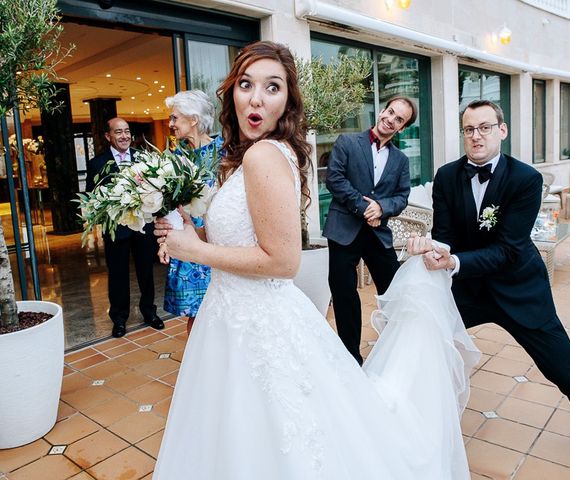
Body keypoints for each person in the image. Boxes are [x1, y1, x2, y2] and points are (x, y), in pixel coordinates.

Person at [151, 40, 479, 480]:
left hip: (254, 317)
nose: (256, 97)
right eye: (246, 84)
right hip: (232, 314)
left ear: (287, 100)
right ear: (231, 92)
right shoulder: (246, 155)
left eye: (273, 87)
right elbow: (241, 232)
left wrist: (195, 251)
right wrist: (189, 231)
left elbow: (282, 261)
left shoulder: (265, 154)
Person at [407, 99, 570, 472]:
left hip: (519, 289)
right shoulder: (447, 176)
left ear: (502, 130)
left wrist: (455, 261)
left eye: (484, 127)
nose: (476, 136)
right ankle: (402, 419)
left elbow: (509, 250)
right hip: (466, 288)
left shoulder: (525, 179)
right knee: (419, 336)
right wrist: (435, 250)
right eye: (469, 129)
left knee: (565, 371)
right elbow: (447, 235)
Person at [323, 95, 417, 364]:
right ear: (382, 111)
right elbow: (334, 179)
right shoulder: (347, 142)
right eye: (390, 112)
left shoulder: (400, 160)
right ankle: (351, 358)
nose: (390, 119)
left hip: (377, 234)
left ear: (402, 127)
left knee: (396, 290)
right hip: (344, 230)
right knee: (344, 295)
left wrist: (383, 208)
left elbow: (401, 196)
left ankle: (398, 350)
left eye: (399, 119)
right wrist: (365, 208)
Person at [85, 117, 164, 338]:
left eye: (127, 131)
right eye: (118, 132)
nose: (124, 136)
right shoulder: (97, 163)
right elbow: (92, 197)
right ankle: (119, 319)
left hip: (143, 226)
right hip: (115, 228)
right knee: (117, 275)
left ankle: (149, 312)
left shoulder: (143, 158)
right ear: (108, 136)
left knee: (146, 271)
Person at [163, 90, 222, 335]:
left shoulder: (225, 152)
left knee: (222, 311)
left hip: (218, 240)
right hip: (188, 242)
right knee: (195, 318)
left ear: (194, 119)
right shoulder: (175, 158)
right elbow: (168, 204)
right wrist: (165, 240)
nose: (171, 124)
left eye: (175, 118)